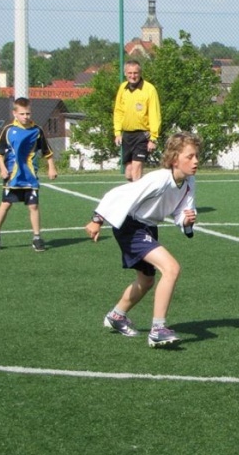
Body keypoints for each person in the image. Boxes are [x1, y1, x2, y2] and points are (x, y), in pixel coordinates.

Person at [85, 132, 200, 348]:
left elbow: (181, 213)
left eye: (196, 156)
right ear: (175, 158)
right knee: (172, 268)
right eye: (190, 156)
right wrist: (96, 219)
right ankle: (158, 329)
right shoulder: (159, 179)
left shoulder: (189, 182)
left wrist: (186, 220)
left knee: (146, 281)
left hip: (148, 227)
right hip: (130, 226)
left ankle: (116, 316)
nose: (195, 161)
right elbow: (119, 194)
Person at [0, 97, 58, 252]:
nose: (26, 116)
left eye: (28, 113)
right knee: (6, 204)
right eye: (22, 114)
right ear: (15, 113)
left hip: (30, 176)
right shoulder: (8, 130)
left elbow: (47, 152)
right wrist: (2, 168)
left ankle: (37, 237)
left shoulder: (37, 130)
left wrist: (51, 167)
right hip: (13, 176)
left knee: (33, 206)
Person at [114, 59, 162, 182]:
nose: (133, 76)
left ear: (140, 73)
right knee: (129, 174)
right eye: (130, 73)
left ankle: (138, 199)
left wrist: (153, 138)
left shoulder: (149, 89)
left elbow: (154, 114)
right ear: (125, 73)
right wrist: (118, 132)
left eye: (135, 73)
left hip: (142, 135)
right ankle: (144, 187)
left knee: (136, 169)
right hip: (127, 135)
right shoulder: (122, 88)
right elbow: (118, 111)